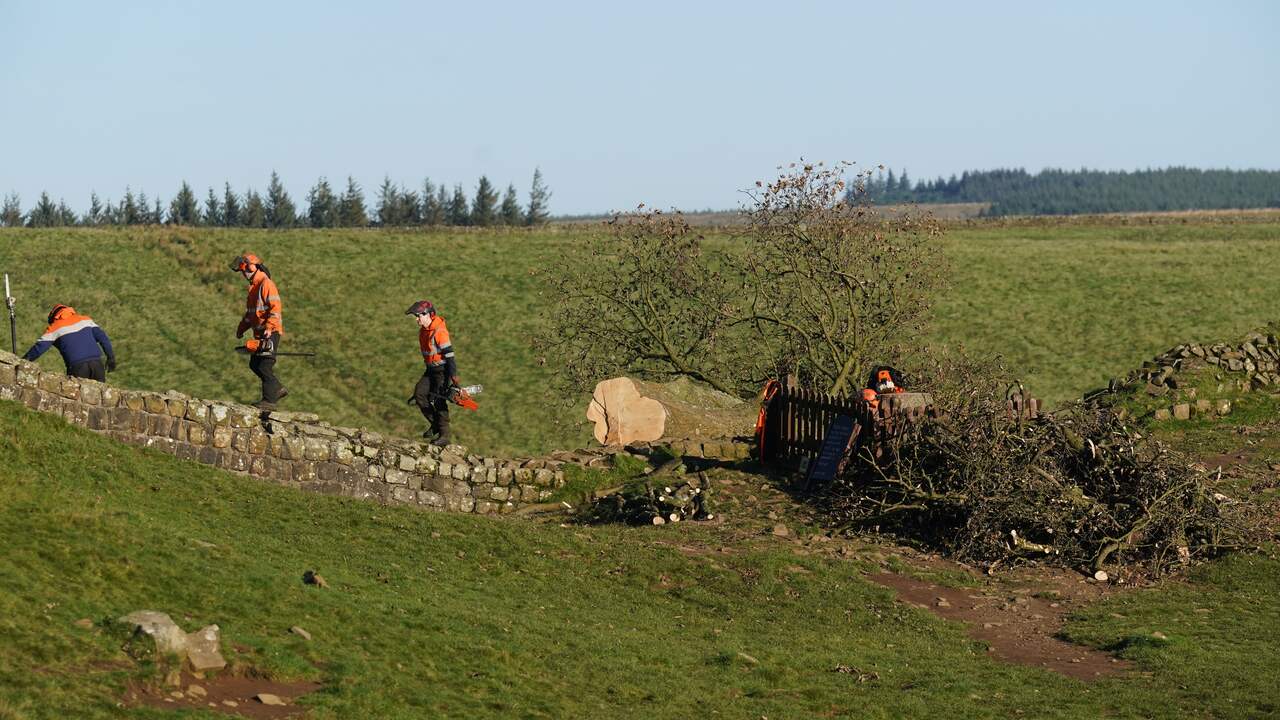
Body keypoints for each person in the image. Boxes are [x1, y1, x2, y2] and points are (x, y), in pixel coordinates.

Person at [231, 253, 288, 408]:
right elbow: (251, 314)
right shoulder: (253, 289)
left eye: (244, 271)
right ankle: (277, 389)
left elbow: (275, 308)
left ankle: (269, 400)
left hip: (271, 332)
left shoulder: (266, 284)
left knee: (264, 365)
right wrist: (241, 328)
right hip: (261, 334)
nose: (243, 274)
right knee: (255, 364)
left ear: (251, 267)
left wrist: (269, 328)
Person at [406, 299, 459, 446]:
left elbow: (450, 356)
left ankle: (445, 435)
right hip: (430, 370)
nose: (417, 320)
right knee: (420, 394)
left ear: (428, 314)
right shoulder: (423, 332)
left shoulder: (439, 331)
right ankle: (435, 424)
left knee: (439, 401)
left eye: (418, 316)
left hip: (443, 371)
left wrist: (453, 377)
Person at [22, 304, 117, 380]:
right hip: (97, 365)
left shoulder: (55, 326)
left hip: (78, 367)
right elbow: (103, 338)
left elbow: (38, 348)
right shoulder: (85, 319)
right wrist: (110, 357)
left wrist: (22, 361)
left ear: (54, 317)